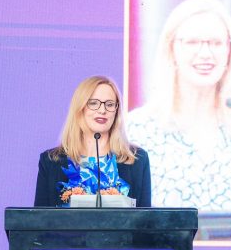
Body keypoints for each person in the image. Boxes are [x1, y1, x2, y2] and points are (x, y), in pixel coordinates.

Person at [127, 0, 231, 211]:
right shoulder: (138, 128)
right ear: (171, 50)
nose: (206, 54)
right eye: (192, 42)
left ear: (229, 52)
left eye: (216, 43)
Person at [34, 76, 151, 207]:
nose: (102, 110)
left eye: (110, 104)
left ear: (116, 111)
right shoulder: (50, 161)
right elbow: (39, 218)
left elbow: (146, 218)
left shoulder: (137, 159)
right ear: (80, 108)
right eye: (94, 103)